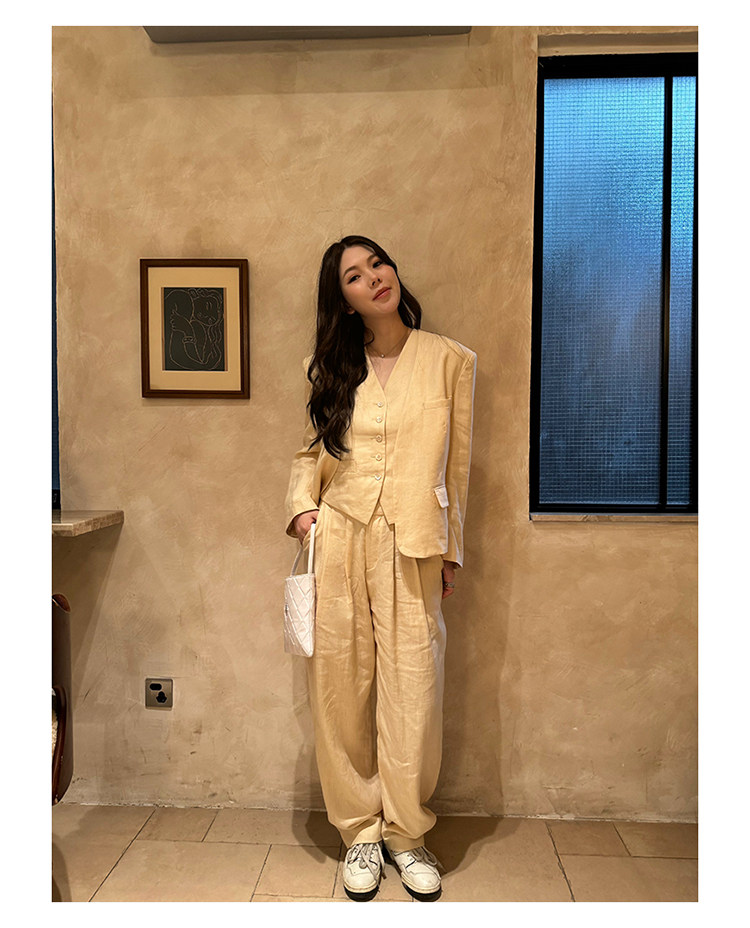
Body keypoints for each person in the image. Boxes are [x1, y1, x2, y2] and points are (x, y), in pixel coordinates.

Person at [284, 234, 476, 901]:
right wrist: (304, 511)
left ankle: (406, 833)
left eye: (377, 263)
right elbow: (308, 453)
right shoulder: (327, 368)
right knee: (339, 687)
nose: (374, 278)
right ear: (343, 300)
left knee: (414, 690)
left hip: (415, 542)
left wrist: (451, 549)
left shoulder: (450, 361)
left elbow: (458, 466)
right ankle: (360, 833)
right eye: (355, 276)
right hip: (340, 537)